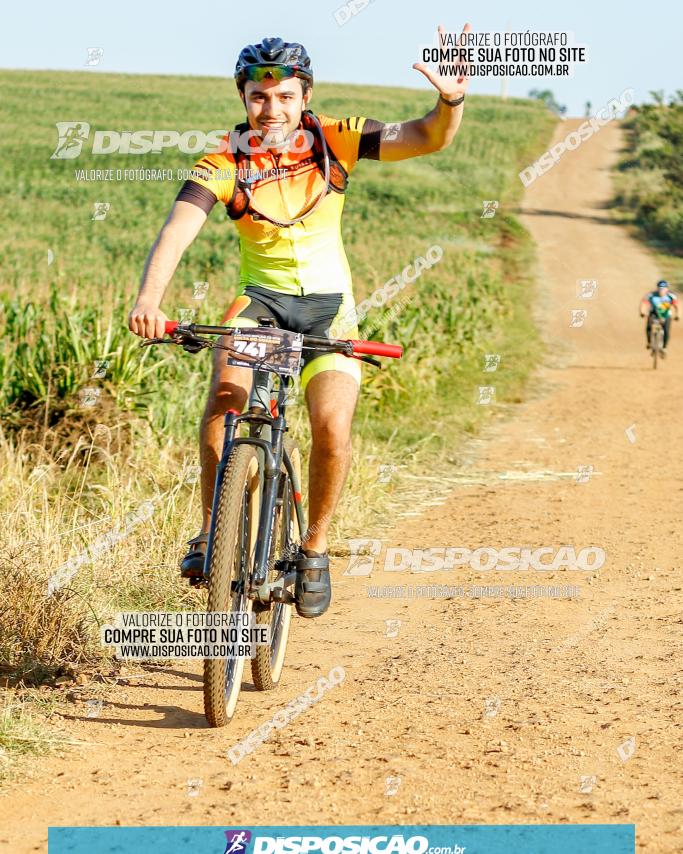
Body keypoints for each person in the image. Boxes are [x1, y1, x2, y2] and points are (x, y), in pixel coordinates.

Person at [128, 28, 470, 618]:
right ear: (243, 99)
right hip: (261, 304)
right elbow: (177, 228)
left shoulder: (336, 139)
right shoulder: (223, 160)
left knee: (331, 428)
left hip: (328, 311)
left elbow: (425, 137)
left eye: (285, 96)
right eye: (259, 98)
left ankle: (313, 549)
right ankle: (214, 532)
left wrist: (450, 102)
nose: (272, 110)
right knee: (225, 401)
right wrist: (149, 299)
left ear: (304, 97)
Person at [640, 280, 679, 356]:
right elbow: (643, 302)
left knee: (666, 331)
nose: (661, 290)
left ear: (667, 289)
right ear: (657, 288)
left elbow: (677, 306)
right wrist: (642, 312)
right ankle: (649, 342)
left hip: (666, 314)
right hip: (654, 313)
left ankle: (664, 347)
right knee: (649, 326)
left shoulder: (671, 296)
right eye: (660, 288)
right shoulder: (651, 295)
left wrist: (677, 315)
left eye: (663, 288)